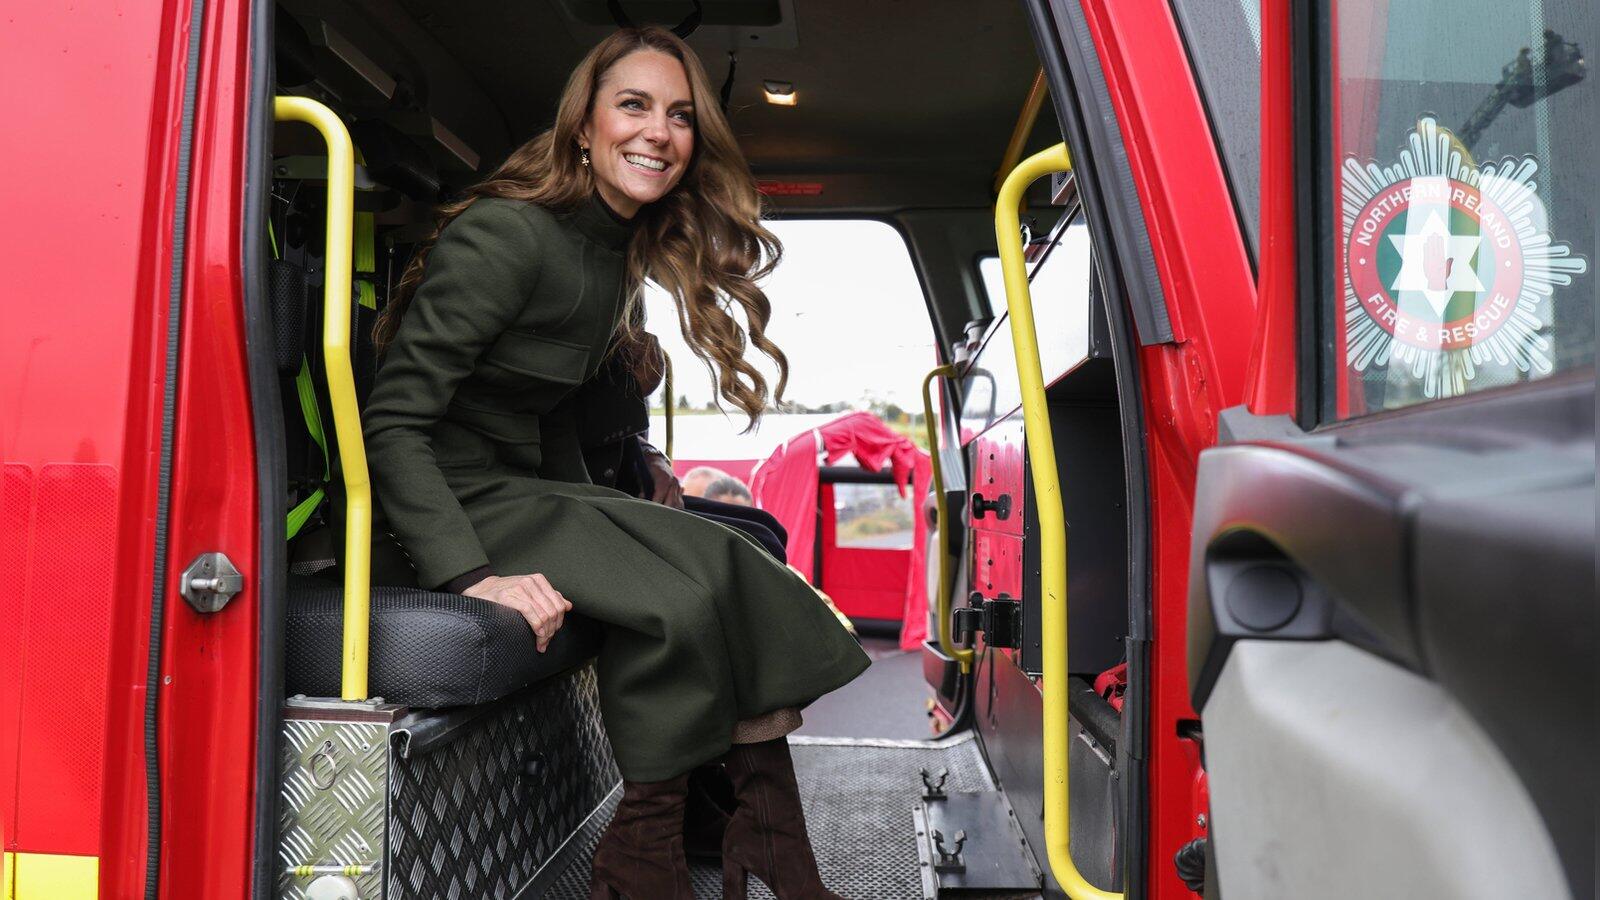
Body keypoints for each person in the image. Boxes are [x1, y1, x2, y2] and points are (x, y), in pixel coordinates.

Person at [363, 27, 867, 900]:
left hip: (522, 487)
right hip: (449, 497)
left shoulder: (613, 252)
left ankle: (766, 835)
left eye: (680, 116)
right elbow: (395, 422)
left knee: (730, 560)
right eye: (633, 105)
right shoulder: (509, 236)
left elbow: (550, 411)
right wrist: (472, 575)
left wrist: (613, 515)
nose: (657, 133)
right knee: (675, 600)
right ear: (584, 125)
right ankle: (645, 851)